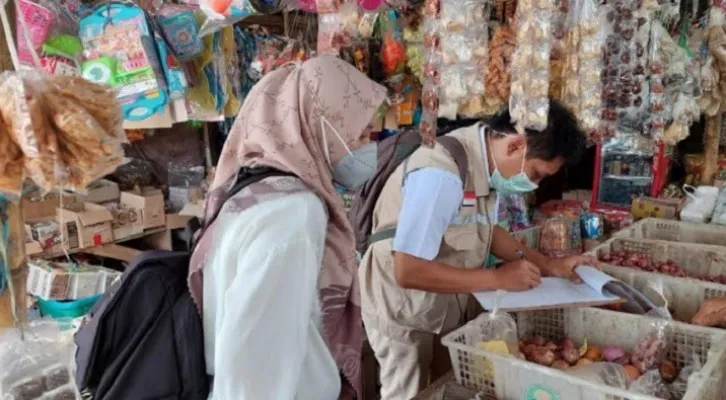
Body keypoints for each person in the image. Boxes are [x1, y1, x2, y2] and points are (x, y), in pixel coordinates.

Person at [359, 101, 596, 399]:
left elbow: (487, 231)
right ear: (515, 146)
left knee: (444, 385)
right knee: (410, 391)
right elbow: (408, 270)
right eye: (536, 174)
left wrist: (550, 265)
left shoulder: (482, 164)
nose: (534, 185)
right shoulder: (439, 174)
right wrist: (497, 279)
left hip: (439, 306)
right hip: (403, 309)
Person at [187, 56, 387, 399]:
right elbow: (253, 362)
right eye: (359, 133)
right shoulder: (293, 210)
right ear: (317, 124)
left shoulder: (252, 191)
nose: (368, 145)